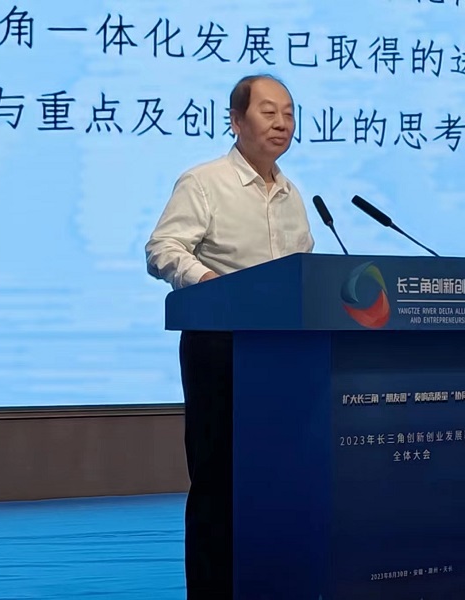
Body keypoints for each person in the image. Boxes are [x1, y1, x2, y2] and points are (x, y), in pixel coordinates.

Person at [145, 74, 314, 599]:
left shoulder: (292, 195)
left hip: (285, 353)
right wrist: (208, 283)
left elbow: (304, 271)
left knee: (282, 477)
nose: (282, 123)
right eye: (268, 112)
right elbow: (163, 248)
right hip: (220, 346)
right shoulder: (204, 182)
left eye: (289, 113)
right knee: (219, 482)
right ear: (236, 121)